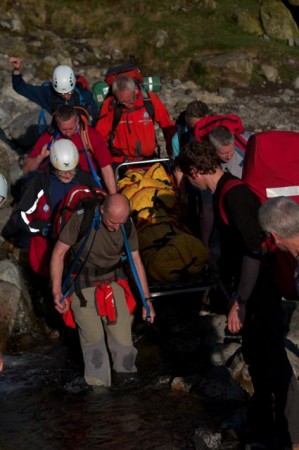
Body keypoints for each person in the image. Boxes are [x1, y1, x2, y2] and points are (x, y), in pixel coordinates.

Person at [175, 141, 299, 450]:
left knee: (276, 363)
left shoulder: (234, 195)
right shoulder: (224, 193)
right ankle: (263, 426)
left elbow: (254, 250)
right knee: (258, 360)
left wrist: (239, 302)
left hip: (260, 294)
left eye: (185, 176)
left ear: (194, 171)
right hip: (251, 295)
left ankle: (293, 437)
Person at [50, 193, 156, 389]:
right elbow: (58, 253)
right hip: (83, 288)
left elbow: (136, 262)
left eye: (120, 222)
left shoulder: (127, 224)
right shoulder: (82, 220)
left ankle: (128, 392)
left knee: (124, 347)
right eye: (112, 221)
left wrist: (147, 300)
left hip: (114, 284)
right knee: (95, 351)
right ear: (102, 210)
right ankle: (99, 398)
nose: (116, 227)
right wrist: (57, 291)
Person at [22, 105, 117, 194]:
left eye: (71, 128)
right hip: (57, 185)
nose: (68, 133)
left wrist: (113, 195)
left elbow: (106, 168)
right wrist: (40, 157)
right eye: (64, 129)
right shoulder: (49, 138)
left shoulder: (90, 136)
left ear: (77, 121)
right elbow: (26, 169)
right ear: (57, 125)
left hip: (87, 185)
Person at [96, 75, 176, 163]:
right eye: (122, 102)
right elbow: (100, 136)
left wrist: (172, 153)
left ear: (136, 90)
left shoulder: (150, 100)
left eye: (129, 100)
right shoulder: (110, 105)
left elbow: (168, 126)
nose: (126, 104)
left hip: (149, 159)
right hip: (121, 162)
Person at [9, 57, 98, 125]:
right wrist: (17, 70)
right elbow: (20, 87)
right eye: (61, 93)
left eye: (69, 92)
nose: (65, 96)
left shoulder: (85, 95)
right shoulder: (47, 93)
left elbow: (96, 117)